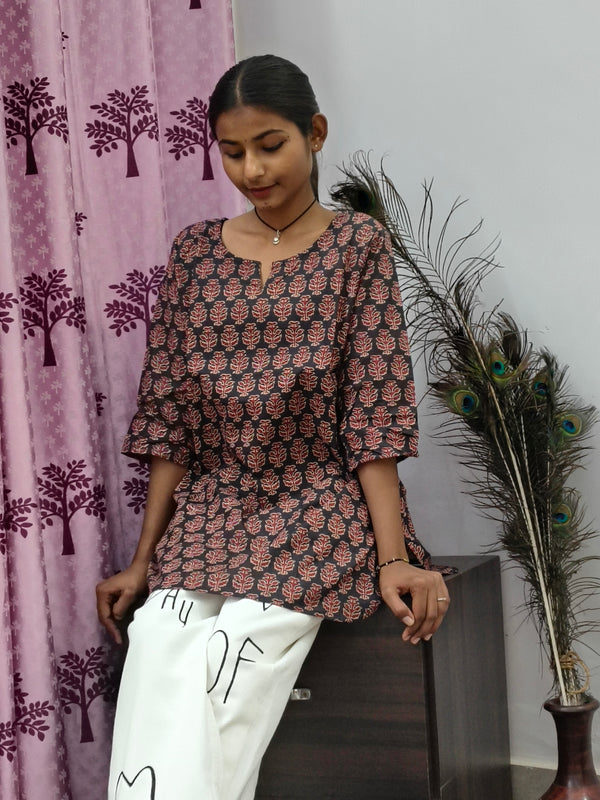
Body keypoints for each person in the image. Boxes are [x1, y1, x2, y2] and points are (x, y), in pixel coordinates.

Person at [96, 54, 450, 800]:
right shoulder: (194, 256)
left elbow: (375, 417)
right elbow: (170, 420)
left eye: (270, 145)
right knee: (160, 642)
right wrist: (142, 560)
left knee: (237, 654)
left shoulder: (359, 249)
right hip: (213, 507)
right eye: (231, 152)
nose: (252, 169)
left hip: (317, 506)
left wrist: (391, 560)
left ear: (314, 134)